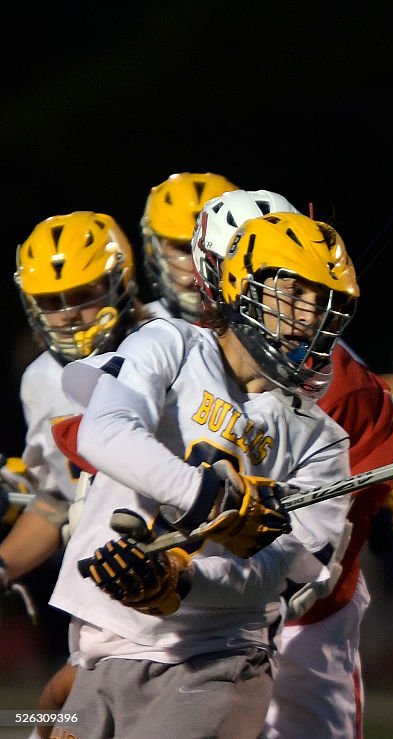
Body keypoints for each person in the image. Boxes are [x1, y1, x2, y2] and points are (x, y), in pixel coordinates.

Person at [47, 211, 359, 738]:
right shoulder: (170, 344)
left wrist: (181, 579)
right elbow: (105, 433)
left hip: (214, 660)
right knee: (40, 716)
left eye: (325, 301)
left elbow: (279, 578)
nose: (309, 316)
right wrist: (208, 499)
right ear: (243, 283)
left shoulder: (322, 441)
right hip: (102, 646)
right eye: (296, 291)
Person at [190, 189, 393, 738]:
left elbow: (329, 548)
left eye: (303, 288)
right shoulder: (174, 354)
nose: (300, 311)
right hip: (185, 611)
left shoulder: (345, 388)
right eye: (287, 288)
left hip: (302, 617)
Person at [2, 211, 150, 738]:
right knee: (47, 723)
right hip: (96, 605)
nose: (65, 315)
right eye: (50, 302)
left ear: (119, 282)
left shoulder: (173, 349)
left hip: (177, 595)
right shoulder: (43, 379)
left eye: (82, 294)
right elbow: (58, 500)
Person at [140, 171, 238, 321]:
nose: (201, 267)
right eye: (184, 249)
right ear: (154, 249)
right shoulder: (137, 333)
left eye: (214, 249)